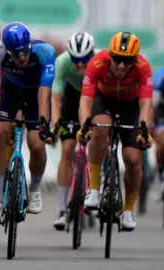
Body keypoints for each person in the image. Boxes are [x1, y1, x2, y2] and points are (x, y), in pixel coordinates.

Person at [78, 32, 154, 231]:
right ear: (110, 56)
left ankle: (128, 209)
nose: (121, 66)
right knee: (100, 129)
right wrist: (85, 126)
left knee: (133, 158)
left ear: (135, 60)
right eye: (117, 59)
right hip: (105, 102)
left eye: (127, 61)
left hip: (132, 107)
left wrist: (144, 131)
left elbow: (146, 104)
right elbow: (85, 100)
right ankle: (94, 189)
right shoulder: (96, 63)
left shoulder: (143, 67)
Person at [0, 22, 56, 223]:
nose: (22, 57)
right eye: (16, 54)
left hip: (36, 94)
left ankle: (34, 189)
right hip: (10, 92)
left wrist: (44, 123)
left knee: (36, 142)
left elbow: (45, 92)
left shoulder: (45, 52)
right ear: (7, 51)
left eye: (25, 51)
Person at [51, 32, 98, 230]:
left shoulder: (99, 61)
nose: (80, 66)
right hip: (71, 98)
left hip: (95, 97)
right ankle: (62, 209)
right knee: (67, 149)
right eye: (75, 61)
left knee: (98, 144)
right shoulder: (62, 62)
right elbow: (55, 97)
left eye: (84, 61)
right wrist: (55, 124)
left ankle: (94, 189)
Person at [152, 67, 164, 200]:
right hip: (161, 114)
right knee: (163, 142)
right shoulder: (161, 76)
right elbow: (153, 106)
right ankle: (161, 177)